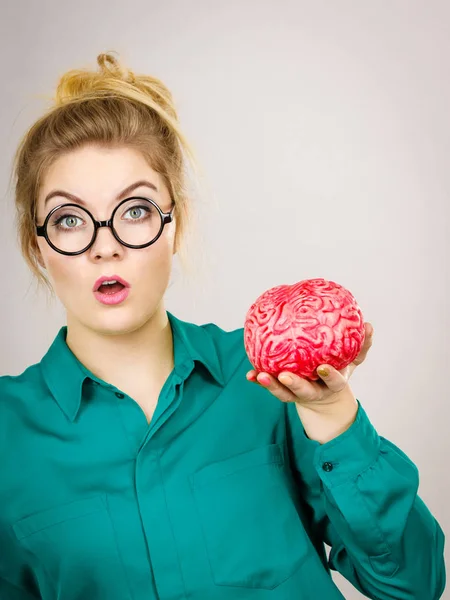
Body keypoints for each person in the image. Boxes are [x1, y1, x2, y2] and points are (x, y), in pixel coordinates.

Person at [0, 52, 445, 600]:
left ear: (175, 225)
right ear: (36, 245)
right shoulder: (7, 435)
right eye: (69, 219)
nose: (106, 245)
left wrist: (332, 415)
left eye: (135, 209)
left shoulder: (267, 383)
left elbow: (413, 587)